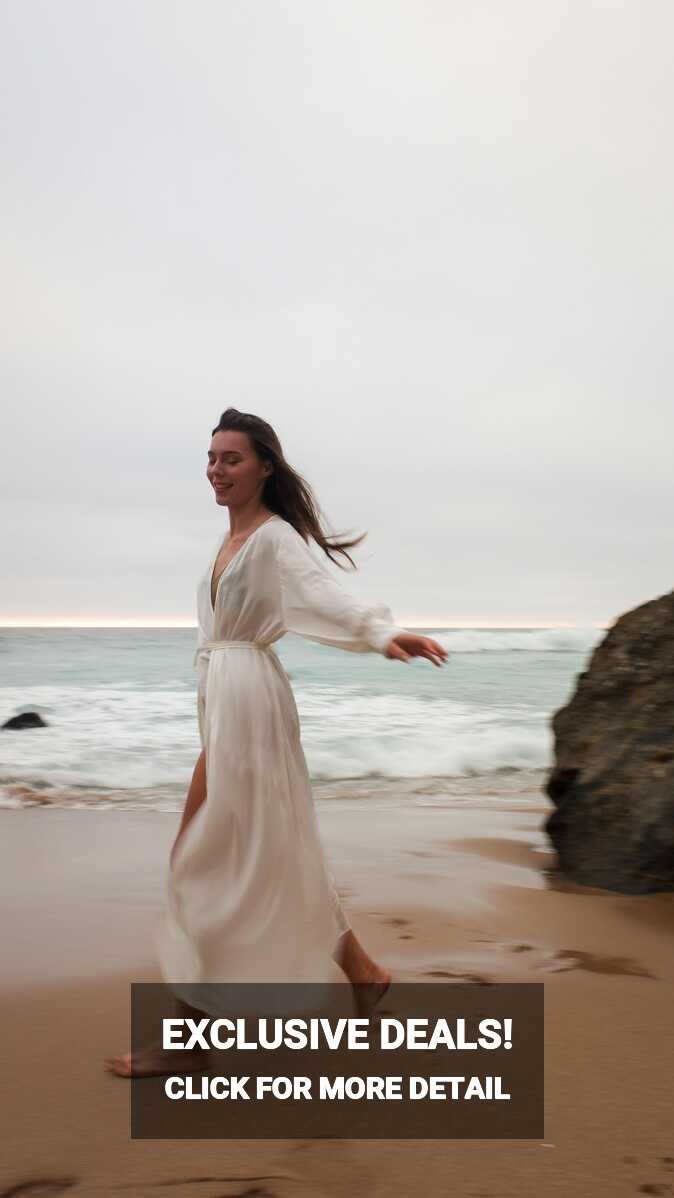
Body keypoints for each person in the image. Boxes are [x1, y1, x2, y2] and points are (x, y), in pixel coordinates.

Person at [105, 408, 447, 1077]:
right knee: (263, 849)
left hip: (251, 704)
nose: (217, 470)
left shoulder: (272, 539)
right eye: (211, 458)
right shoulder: (228, 544)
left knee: (202, 863)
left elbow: (326, 595)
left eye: (231, 458)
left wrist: (381, 635)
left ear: (265, 466)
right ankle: (362, 968)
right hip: (225, 702)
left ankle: (190, 1044)